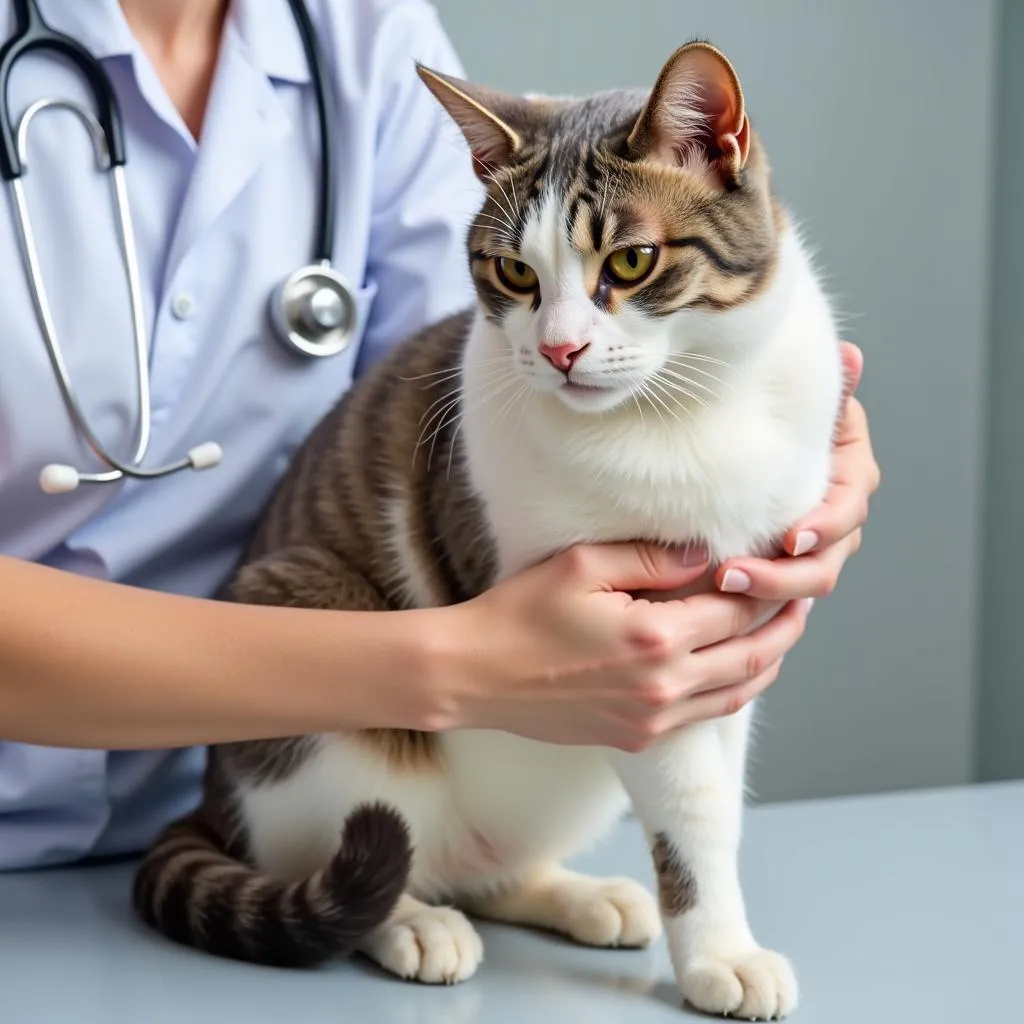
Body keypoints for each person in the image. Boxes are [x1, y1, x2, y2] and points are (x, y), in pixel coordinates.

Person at [0, 0, 879, 872]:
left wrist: (782, 439)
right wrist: (453, 663)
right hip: (295, 757)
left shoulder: (364, 33)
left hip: (263, 816)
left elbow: (462, 409)